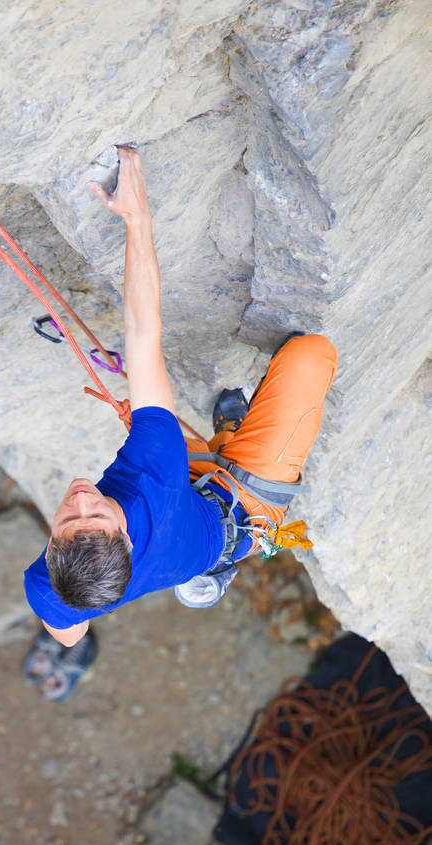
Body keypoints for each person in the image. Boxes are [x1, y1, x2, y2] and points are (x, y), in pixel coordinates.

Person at [23, 146, 338, 701]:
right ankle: (229, 441)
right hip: (243, 505)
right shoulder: (156, 476)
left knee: (168, 434)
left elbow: (71, 637)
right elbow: (143, 332)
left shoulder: (55, 588)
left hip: (183, 510)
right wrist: (137, 218)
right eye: (94, 512)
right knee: (312, 355)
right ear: (122, 535)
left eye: (66, 522)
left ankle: (221, 443)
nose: (78, 498)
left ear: (53, 554)